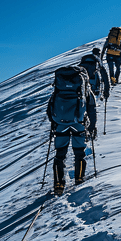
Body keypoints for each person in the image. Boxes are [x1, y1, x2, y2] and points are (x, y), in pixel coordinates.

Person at [47, 66, 97, 194]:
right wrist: (91, 126)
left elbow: (50, 106)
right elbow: (91, 107)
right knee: (79, 152)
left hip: (60, 123)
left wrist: (54, 123)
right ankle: (79, 178)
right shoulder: (85, 88)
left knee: (60, 154)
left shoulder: (59, 88)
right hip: (78, 123)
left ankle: (58, 184)